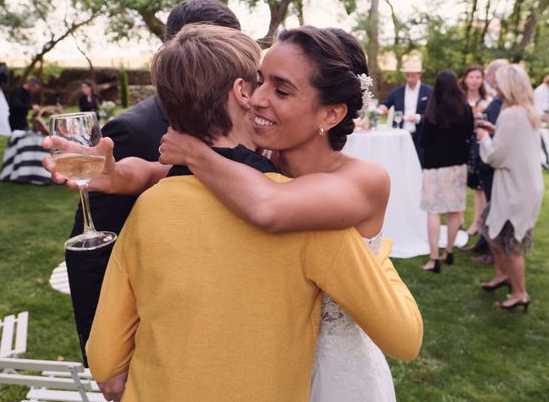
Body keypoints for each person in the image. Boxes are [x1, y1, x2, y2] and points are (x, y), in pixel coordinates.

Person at [85, 25, 422, 401]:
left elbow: (268, 206)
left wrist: (195, 153)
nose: (256, 99)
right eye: (258, 81)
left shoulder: (355, 185)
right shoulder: (251, 169)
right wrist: (116, 175)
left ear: (331, 113)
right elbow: (160, 173)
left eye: (280, 90)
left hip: (338, 375)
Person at [45, 0, 242, 366]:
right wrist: (103, 356)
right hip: (156, 335)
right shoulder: (134, 129)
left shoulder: (245, 121)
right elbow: (93, 251)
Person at [476, 64, 543, 311]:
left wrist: (485, 139)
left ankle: (520, 293)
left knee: (510, 241)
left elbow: (496, 156)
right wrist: (496, 132)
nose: (494, 86)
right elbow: (514, 143)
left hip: (516, 188)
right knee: (489, 226)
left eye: (498, 82)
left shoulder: (510, 113)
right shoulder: (526, 111)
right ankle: (501, 274)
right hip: (525, 185)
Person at [419, 70, 473, 273]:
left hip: (434, 168)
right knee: (453, 211)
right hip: (458, 167)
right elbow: (469, 134)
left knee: (434, 212)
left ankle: (434, 259)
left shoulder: (432, 111)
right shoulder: (465, 109)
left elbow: (424, 141)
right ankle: (448, 252)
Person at [461, 59, 508, 264]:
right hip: (482, 156)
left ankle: (492, 251)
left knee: (493, 206)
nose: (486, 78)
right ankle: (483, 243)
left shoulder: (498, 102)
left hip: (491, 160)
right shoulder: (497, 100)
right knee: (489, 204)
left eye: (487, 74)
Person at [379, 57, 432, 165]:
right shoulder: (397, 91)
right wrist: (383, 108)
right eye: (407, 75)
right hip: (400, 136)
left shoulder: (429, 91)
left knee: (419, 166)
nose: (409, 79)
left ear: (419, 75)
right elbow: (385, 104)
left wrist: (418, 118)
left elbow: (433, 114)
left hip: (420, 138)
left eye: (412, 76)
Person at [458, 65, 490, 236]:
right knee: (459, 182)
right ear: (465, 79)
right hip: (460, 145)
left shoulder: (486, 102)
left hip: (478, 146)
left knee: (479, 187)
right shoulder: (459, 99)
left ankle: (478, 223)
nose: (475, 81)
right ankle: (459, 219)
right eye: (471, 77)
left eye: (478, 77)